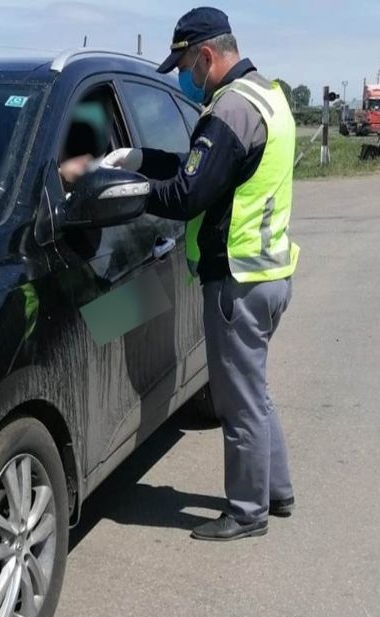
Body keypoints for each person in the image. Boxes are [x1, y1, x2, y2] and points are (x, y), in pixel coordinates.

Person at [102, 7, 300, 542]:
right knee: (253, 391)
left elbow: (188, 195)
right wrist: (142, 157)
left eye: (187, 65)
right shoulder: (269, 98)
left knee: (238, 401)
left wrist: (131, 186)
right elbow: (203, 167)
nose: (187, 77)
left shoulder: (229, 111)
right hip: (271, 273)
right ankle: (276, 492)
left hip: (237, 281)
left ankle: (247, 512)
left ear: (206, 55)